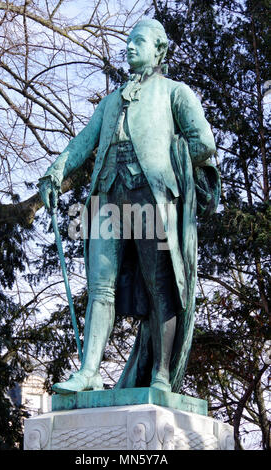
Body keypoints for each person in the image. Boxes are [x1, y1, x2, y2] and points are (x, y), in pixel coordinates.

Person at [38, 19, 220, 394]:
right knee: (99, 287)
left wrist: (175, 162)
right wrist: (55, 172)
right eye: (128, 42)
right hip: (107, 197)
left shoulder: (175, 92)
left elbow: (203, 142)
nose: (130, 47)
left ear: (160, 50)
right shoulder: (108, 103)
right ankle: (89, 372)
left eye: (139, 42)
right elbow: (82, 142)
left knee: (159, 288)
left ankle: (161, 375)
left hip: (151, 197)